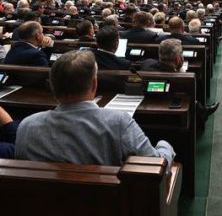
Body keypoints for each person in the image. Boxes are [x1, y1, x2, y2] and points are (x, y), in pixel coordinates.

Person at [15, 50, 174, 167]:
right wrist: (164, 145)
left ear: (52, 87)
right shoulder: (118, 122)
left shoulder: (27, 126)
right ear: (94, 84)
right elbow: (156, 165)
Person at [143, 39, 219, 130]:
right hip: (168, 114)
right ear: (178, 58)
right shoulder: (181, 80)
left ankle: (202, 111)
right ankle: (202, 113)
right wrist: (179, 70)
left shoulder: (147, 63)